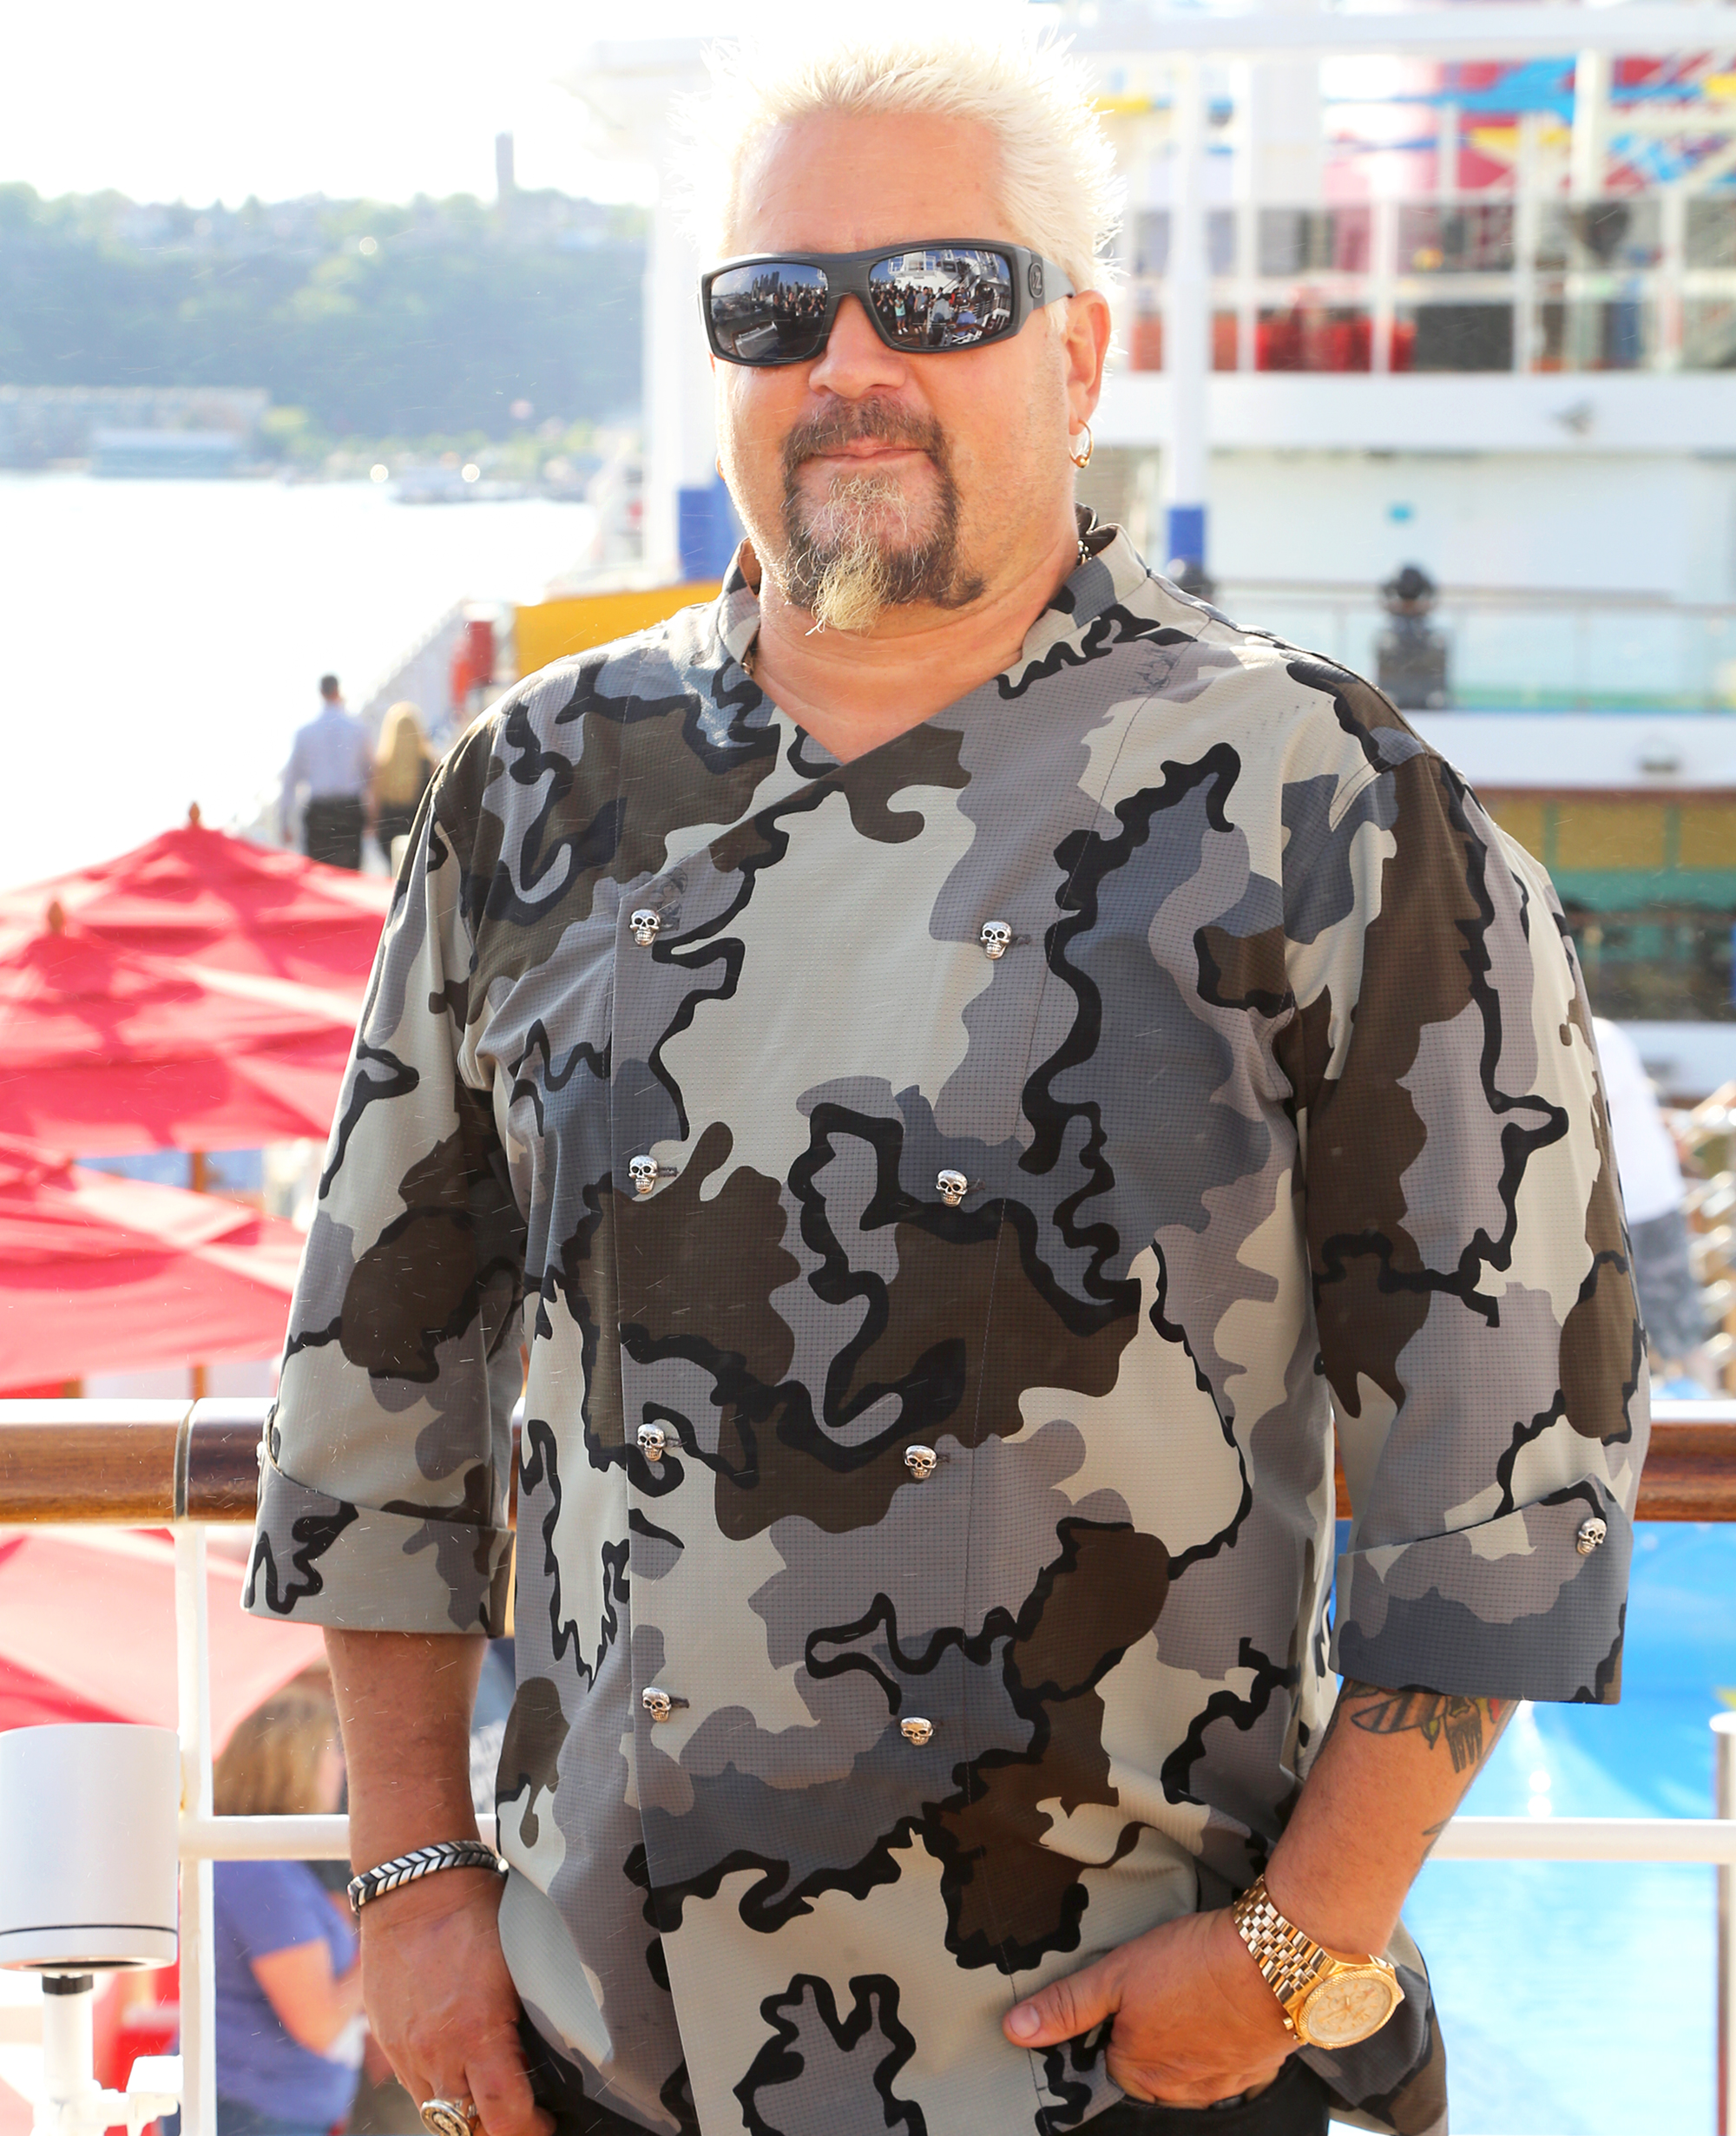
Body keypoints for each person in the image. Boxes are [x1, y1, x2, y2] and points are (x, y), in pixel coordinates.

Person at [247, 29, 1646, 2136]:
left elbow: (1508, 1471)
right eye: (773, 306)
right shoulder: (533, 790)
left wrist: (1288, 1953)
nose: (848, 359)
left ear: (1073, 356)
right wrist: (417, 1874)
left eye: (939, 298)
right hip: (591, 2060)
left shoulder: (1327, 809)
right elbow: (377, 1392)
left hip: (1114, 2068)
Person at [212, 1689, 365, 2136]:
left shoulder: (260, 1862)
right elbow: (319, 2023)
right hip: (258, 2114)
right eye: (335, 1749)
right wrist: (385, 1939)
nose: (342, 1765)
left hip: (262, 2109)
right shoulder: (263, 1872)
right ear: (295, 1763)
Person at [1593, 1015, 1715, 1392]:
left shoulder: (1595, 1035)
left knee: (1675, 1329)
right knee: (1668, 1328)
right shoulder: (1600, 1031)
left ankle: (1706, 1419)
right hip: (1632, 1201)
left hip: (1641, 1204)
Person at [281, 676, 373, 870]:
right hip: (349, 811)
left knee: (321, 878)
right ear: (338, 691)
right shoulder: (358, 728)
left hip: (319, 813)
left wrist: (284, 822)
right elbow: (370, 774)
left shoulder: (304, 732)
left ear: (321, 693)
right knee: (350, 876)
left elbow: (290, 780)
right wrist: (373, 814)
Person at [371, 702, 438, 867]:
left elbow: (375, 805)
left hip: (389, 832)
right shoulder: (429, 763)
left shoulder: (382, 765)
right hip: (418, 831)